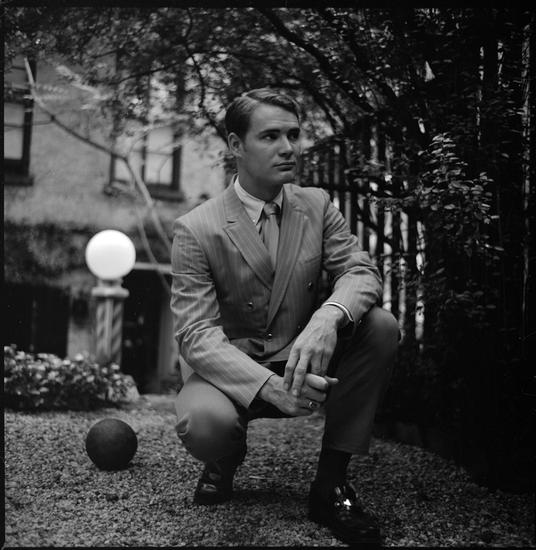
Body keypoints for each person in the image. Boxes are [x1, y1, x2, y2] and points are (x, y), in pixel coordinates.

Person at [170, 88, 399, 546]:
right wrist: (269, 387)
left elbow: (360, 271)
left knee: (380, 326)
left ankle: (330, 485)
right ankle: (223, 459)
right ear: (236, 145)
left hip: (302, 357)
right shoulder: (196, 228)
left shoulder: (315, 205)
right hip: (232, 369)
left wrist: (328, 317)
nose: (288, 147)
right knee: (205, 426)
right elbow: (195, 334)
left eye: (293, 135)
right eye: (270, 136)